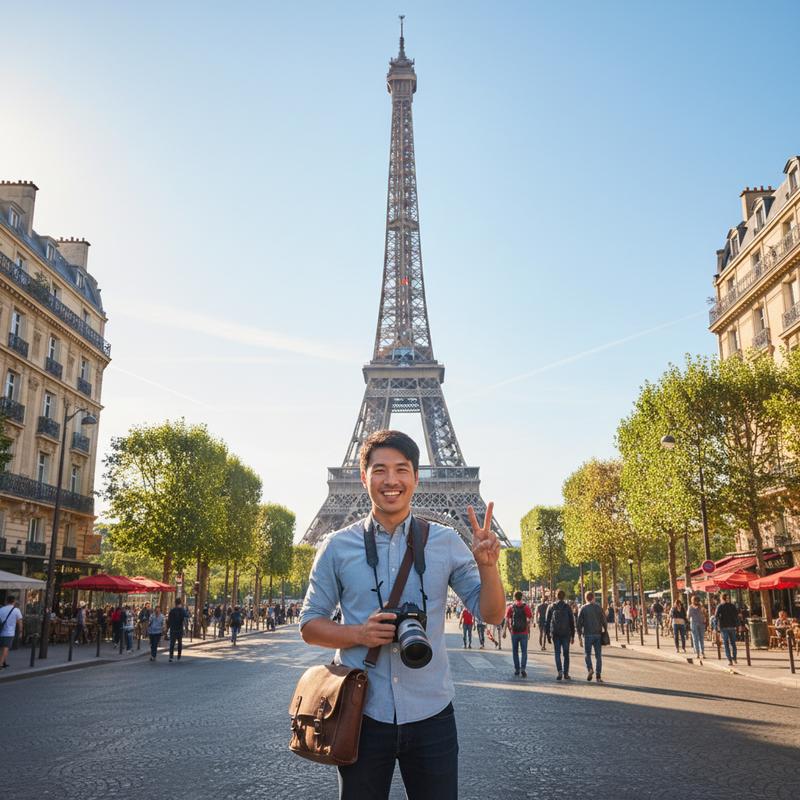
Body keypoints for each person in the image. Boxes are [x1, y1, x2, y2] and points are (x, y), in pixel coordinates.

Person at [300, 429, 504, 800]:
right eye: (379, 470)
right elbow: (309, 625)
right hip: (362, 714)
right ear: (363, 477)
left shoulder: (445, 541)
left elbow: (491, 614)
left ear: (415, 476)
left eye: (401, 469)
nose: (391, 480)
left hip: (432, 713)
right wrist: (359, 634)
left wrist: (489, 567)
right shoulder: (336, 547)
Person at [577, 591, 607, 683]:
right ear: (593, 597)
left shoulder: (583, 608)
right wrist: (605, 631)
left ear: (586, 598)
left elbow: (578, 624)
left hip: (587, 634)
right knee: (598, 656)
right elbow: (604, 620)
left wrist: (579, 636)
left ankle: (590, 668)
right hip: (597, 634)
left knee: (587, 654)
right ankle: (598, 675)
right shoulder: (598, 607)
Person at [544, 589, 574, 681]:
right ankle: (566, 673)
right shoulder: (567, 607)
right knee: (566, 654)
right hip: (566, 634)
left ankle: (559, 671)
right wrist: (573, 635)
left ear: (556, 596)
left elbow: (547, 622)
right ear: (564, 597)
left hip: (555, 633)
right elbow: (571, 622)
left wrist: (548, 635)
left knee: (557, 653)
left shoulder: (551, 606)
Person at [506, 591, 532, 677]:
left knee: (515, 651)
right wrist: (528, 629)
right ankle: (523, 668)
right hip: (524, 632)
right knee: (524, 651)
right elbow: (529, 618)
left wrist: (509, 630)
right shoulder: (526, 607)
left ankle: (517, 669)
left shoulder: (511, 607)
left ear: (514, 597)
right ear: (522, 597)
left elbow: (507, 619)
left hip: (514, 632)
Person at [715, 593, 739, 666]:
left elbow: (716, 616)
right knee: (733, 643)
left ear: (722, 599)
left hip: (723, 627)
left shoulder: (720, 606)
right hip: (732, 626)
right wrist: (737, 625)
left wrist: (716, 627)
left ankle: (729, 660)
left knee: (726, 644)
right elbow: (736, 616)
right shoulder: (732, 606)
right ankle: (734, 657)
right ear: (728, 598)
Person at [0, 595, 23, 669]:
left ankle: (3, 662)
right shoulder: (16, 610)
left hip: (1, 631)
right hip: (9, 633)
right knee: (5, 648)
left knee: (2, 648)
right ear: (14, 601)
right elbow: (20, 622)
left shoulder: (1, 609)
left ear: (7, 601)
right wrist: (20, 632)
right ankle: (0, 664)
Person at [687, 596, 705, 660]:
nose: (696, 602)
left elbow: (688, 616)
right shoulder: (692, 607)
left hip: (698, 624)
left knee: (699, 639)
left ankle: (700, 653)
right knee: (698, 639)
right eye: (695, 601)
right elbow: (688, 616)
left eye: (696, 601)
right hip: (697, 623)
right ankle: (700, 653)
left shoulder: (698, 607)